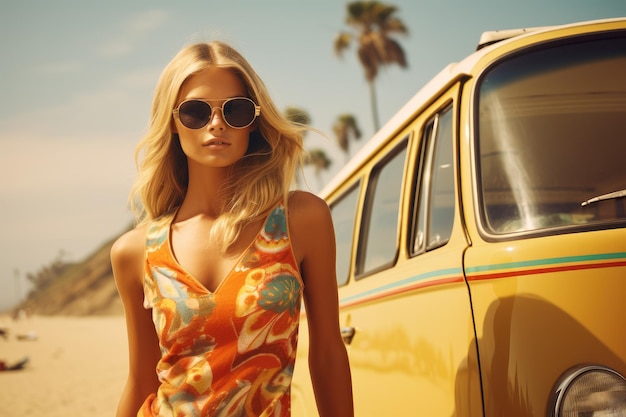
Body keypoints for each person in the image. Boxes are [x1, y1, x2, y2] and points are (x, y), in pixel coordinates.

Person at [111, 41, 354, 417]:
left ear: (254, 121)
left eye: (235, 110)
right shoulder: (134, 251)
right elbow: (141, 381)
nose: (217, 124)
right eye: (195, 111)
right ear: (173, 122)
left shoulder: (301, 220)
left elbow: (326, 353)